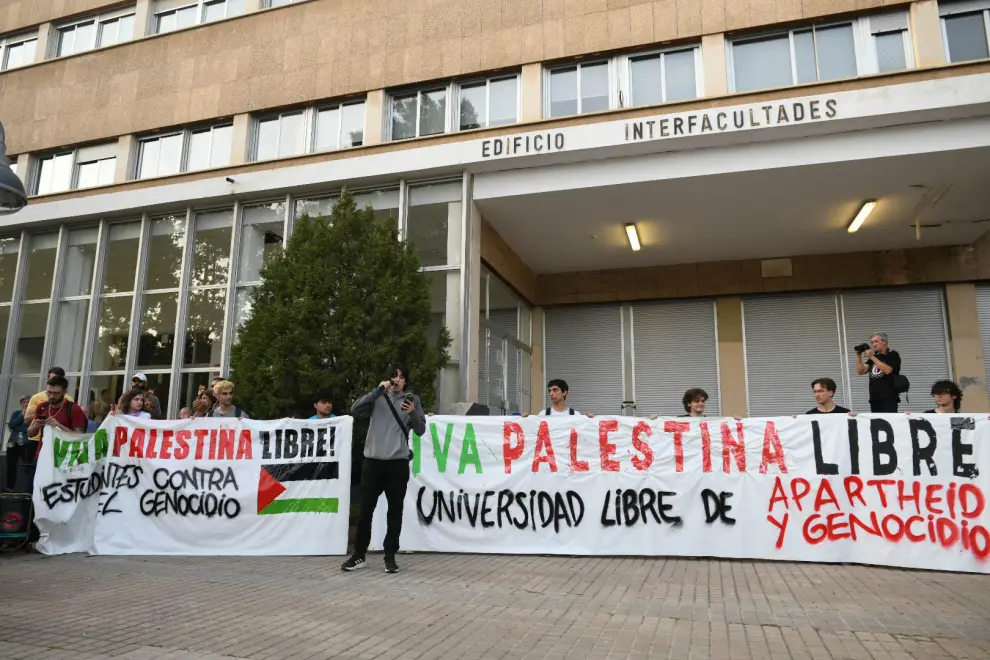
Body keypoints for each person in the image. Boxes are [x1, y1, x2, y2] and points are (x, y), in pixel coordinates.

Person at [343, 362, 426, 574]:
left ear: (406, 380)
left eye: (400, 376)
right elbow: (355, 408)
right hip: (372, 462)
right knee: (365, 511)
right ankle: (358, 555)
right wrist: (377, 390)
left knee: (394, 511)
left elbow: (420, 430)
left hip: (397, 464)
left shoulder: (412, 400)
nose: (396, 380)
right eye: (393, 376)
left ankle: (390, 556)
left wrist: (414, 413)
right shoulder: (377, 397)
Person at [27, 375, 88, 459]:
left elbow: (79, 436)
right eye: (49, 392)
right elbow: (30, 434)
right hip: (42, 456)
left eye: (56, 393)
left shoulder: (73, 409)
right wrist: (36, 426)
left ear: (64, 392)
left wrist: (59, 426)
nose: (51, 396)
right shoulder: (42, 406)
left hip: (64, 458)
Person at [855, 333, 902, 413]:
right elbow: (861, 371)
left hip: (889, 398)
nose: (873, 344)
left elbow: (888, 370)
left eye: (876, 341)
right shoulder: (874, 356)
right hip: (874, 398)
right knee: (877, 424)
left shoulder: (893, 354)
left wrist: (872, 357)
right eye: (872, 342)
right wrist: (859, 356)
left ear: (885, 342)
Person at [24, 367, 74, 431]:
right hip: (36, 438)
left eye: (58, 379)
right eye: (52, 379)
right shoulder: (36, 397)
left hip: (58, 437)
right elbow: (26, 420)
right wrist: (42, 415)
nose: (55, 381)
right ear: (47, 379)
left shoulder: (69, 399)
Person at [4, 395, 30, 492]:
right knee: (11, 466)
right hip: (13, 443)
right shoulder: (16, 413)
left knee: (28, 465)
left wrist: (18, 428)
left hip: (26, 443)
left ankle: (30, 488)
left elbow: (27, 428)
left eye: (28, 401)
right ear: (21, 404)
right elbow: (11, 425)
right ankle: (9, 488)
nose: (26, 404)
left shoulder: (33, 414)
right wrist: (22, 415)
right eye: (24, 402)